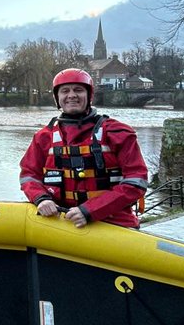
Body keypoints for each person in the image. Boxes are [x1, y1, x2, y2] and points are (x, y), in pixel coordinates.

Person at [19, 68, 149, 229]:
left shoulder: (118, 133)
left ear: (89, 96)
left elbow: (136, 182)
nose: (72, 95)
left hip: (113, 222)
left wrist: (90, 210)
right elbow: (29, 176)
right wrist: (41, 198)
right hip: (61, 221)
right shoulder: (43, 137)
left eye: (78, 90)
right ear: (57, 98)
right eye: (65, 91)